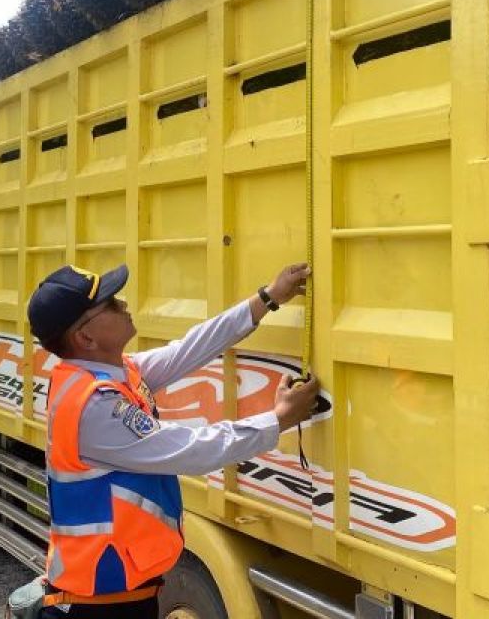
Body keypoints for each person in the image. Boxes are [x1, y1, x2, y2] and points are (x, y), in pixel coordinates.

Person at [25, 262, 320, 618]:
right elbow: (192, 449)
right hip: (100, 603)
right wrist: (279, 420)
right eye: (110, 303)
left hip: (119, 590)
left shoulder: (115, 372)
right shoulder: (94, 405)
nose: (123, 303)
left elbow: (190, 348)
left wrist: (267, 298)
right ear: (85, 338)